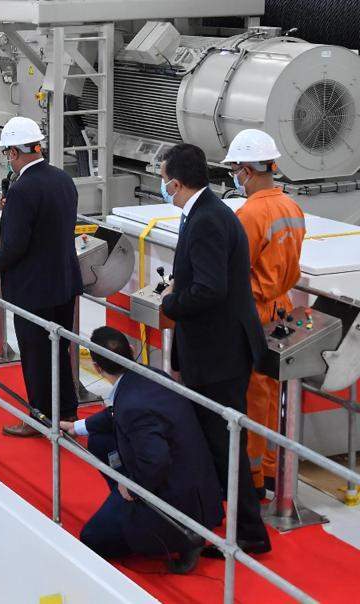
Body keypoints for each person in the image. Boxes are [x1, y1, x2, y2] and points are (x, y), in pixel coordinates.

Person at [158, 143, 272, 556]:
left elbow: (209, 288)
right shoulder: (204, 212)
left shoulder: (207, 220)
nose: (162, 185)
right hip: (212, 347)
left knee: (225, 444)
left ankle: (249, 534)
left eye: (163, 178)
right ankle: (223, 519)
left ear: (177, 183)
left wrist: (171, 302)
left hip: (219, 353)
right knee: (215, 441)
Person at [61, 327, 222, 574]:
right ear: (131, 350)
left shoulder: (133, 406)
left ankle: (177, 536)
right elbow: (115, 413)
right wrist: (77, 427)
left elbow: (156, 459)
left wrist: (133, 486)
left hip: (174, 500)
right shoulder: (151, 375)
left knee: (92, 538)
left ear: (97, 368)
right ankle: (128, 504)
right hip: (196, 482)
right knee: (99, 441)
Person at [223, 129, 306, 496]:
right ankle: (272, 469)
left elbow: (236, 269)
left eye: (235, 170)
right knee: (274, 395)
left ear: (246, 170)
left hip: (254, 312)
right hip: (282, 309)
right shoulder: (292, 207)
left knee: (253, 397)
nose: (234, 177)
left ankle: (253, 478)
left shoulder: (249, 214)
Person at [0, 117, 81, 436]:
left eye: (7, 153)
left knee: (35, 354)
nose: (8, 160)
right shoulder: (63, 179)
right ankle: (66, 412)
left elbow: (15, 246)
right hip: (64, 283)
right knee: (59, 350)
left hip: (33, 289)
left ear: (14, 152)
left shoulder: (22, 189)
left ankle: (39, 417)